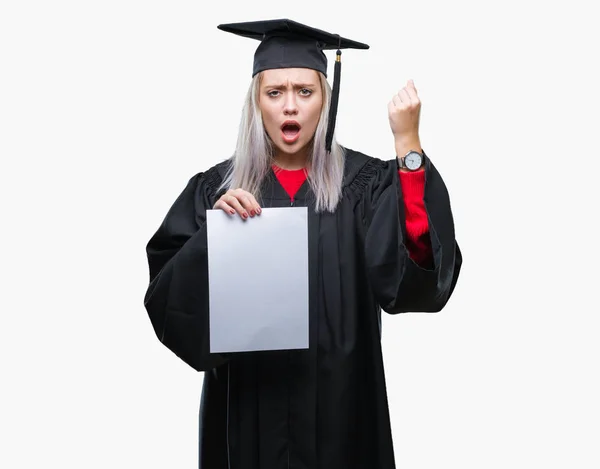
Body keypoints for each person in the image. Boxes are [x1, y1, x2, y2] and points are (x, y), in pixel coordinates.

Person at [143, 18, 462, 469]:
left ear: (324, 102)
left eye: (304, 92)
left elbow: (415, 280)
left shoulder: (363, 186)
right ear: (256, 102)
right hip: (247, 418)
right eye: (275, 93)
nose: (289, 107)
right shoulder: (216, 190)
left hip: (344, 417)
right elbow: (171, 310)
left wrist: (407, 145)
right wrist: (214, 240)